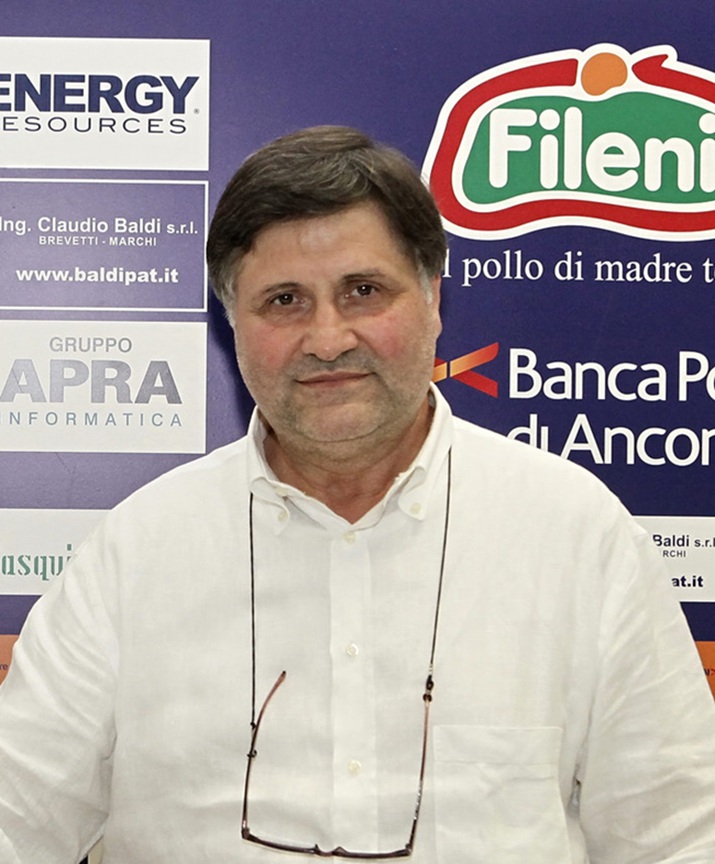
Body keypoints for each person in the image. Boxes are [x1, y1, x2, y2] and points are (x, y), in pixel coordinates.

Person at [0, 126, 714, 864]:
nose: (328, 337)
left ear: (433, 298)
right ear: (232, 323)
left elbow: (679, 836)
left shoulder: (573, 533)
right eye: (284, 300)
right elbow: (16, 814)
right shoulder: (138, 551)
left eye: (363, 291)